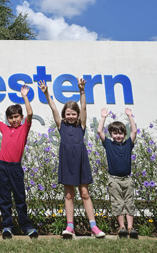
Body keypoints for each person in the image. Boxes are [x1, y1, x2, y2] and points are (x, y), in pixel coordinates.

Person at [39, 78, 105, 238]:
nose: (70, 116)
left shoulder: (81, 126)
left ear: (78, 115)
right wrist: (47, 94)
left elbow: (83, 106)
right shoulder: (61, 126)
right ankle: (70, 227)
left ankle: (93, 227)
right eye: (68, 114)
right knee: (69, 195)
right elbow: (53, 108)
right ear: (64, 115)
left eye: (73, 114)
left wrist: (82, 91)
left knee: (85, 193)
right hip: (67, 162)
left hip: (81, 161)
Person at [0, 86, 39, 239]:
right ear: (8, 119)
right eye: (11, 117)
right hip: (3, 166)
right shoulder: (5, 128)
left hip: (15, 168)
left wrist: (25, 96)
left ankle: (26, 226)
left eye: (17, 117)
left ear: (21, 117)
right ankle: (7, 226)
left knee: (19, 198)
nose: (14, 120)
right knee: (4, 198)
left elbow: (30, 113)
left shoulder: (24, 128)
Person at [97, 108, 138, 239]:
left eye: (120, 133)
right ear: (111, 134)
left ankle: (130, 227)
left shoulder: (128, 144)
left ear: (124, 134)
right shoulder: (108, 144)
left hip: (127, 179)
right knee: (117, 203)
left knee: (129, 202)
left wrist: (130, 116)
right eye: (115, 133)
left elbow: (134, 131)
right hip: (114, 179)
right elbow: (99, 131)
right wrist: (103, 117)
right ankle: (122, 227)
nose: (118, 136)